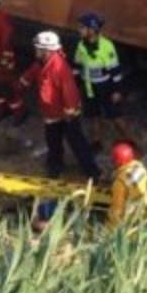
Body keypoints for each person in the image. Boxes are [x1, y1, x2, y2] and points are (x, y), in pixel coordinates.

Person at [19, 30, 100, 181]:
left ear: (47, 50)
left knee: (77, 142)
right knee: (53, 142)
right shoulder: (42, 63)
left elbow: (69, 91)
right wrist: (22, 82)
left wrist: (70, 111)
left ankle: (92, 172)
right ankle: (55, 167)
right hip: (52, 113)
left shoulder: (60, 67)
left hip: (66, 113)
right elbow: (32, 73)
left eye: (38, 48)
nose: (35, 50)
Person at [72, 12, 134, 146]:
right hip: (89, 87)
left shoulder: (107, 46)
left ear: (92, 30)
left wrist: (117, 90)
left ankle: (130, 140)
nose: (79, 30)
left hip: (106, 87)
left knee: (115, 116)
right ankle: (97, 141)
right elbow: (77, 65)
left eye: (82, 27)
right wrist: (75, 84)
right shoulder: (81, 45)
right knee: (94, 115)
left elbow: (115, 71)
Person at [107, 141, 147, 229]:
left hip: (132, 217)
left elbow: (117, 208)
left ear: (118, 162)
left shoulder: (120, 183)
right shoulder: (141, 168)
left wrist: (110, 226)